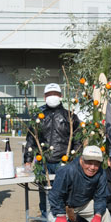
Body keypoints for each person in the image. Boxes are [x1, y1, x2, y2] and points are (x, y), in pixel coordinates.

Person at [43, 145, 111, 222]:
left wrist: (98, 214)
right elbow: (55, 195)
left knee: (105, 214)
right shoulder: (67, 170)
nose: (92, 167)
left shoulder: (101, 173)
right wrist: (60, 214)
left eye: (96, 164)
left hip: (83, 204)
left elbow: (101, 196)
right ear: (81, 160)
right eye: (89, 162)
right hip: (63, 205)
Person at [24, 84, 81, 214]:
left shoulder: (70, 116)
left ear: (61, 96)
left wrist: (74, 157)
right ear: (44, 97)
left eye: (55, 94)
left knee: (63, 195)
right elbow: (31, 139)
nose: (52, 97)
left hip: (63, 162)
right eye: (49, 94)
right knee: (44, 196)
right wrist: (28, 160)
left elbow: (78, 139)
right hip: (43, 162)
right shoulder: (39, 116)